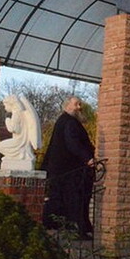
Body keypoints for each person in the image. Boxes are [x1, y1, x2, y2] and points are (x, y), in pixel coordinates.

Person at [41, 96, 95, 239]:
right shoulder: (70, 122)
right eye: (76, 104)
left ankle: (79, 227)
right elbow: (73, 143)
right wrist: (88, 159)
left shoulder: (64, 121)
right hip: (68, 171)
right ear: (67, 106)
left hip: (61, 170)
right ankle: (78, 230)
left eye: (79, 104)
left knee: (61, 199)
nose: (79, 107)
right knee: (73, 200)